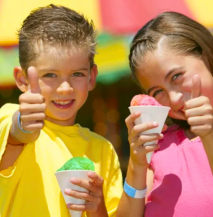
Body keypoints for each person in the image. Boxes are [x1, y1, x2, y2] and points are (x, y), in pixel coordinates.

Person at [116, 11, 213, 217]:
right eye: (157, 92)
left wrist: (209, 133)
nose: (175, 99)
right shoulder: (160, 143)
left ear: (209, 55)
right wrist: (137, 164)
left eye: (177, 76)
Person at [0, 4, 122, 217]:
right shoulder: (11, 118)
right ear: (22, 79)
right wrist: (23, 126)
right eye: (50, 75)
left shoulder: (104, 151)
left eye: (76, 74)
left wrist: (97, 207)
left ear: (92, 77)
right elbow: (15, 135)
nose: (65, 88)